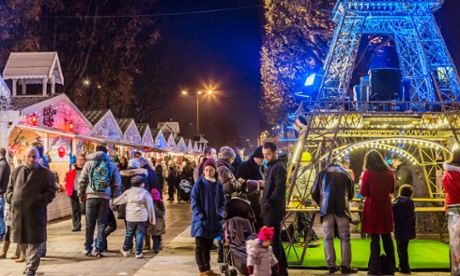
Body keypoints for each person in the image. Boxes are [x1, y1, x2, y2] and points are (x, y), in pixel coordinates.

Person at [6, 147, 56, 276]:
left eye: (34, 156)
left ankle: (31, 269)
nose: (32, 159)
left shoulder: (46, 174)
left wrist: (37, 200)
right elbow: (9, 189)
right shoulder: (16, 171)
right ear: (24, 157)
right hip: (18, 213)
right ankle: (28, 264)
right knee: (21, 241)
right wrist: (12, 199)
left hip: (35, 213)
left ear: (39, 157)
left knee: (35, 242)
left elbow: (50, 192)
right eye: (29, 156)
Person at [311, 160, 358, 274]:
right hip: (342, 208)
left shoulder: (321, 173)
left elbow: (314, 192)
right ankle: (346, 266)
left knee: (328, 238)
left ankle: (331, 265)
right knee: (345, 238)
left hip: (326, 209)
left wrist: (322, 202)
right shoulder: (346, 173)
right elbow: (351, 194)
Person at [78, 145, 122, 257]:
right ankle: (99, 249)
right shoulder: (111, 165)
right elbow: (117, 183)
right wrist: (116, 199)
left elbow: (82, 180)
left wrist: (81, 194)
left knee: (89, 224)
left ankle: (87, 248)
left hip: (91, 197)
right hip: (105, 197)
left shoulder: (89, 163)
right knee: (102, 224)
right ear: (106, 153)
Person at [360, 150, 396, 275]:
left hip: (372, 207)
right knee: (387, 237)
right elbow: (392, 189)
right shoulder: (390, 173)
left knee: (374, 238)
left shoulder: (368, 174)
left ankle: (375, 268)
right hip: (385, 207)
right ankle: (391, 267)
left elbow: (364, 192)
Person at [191, 158, 225, 276]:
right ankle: (202, 270)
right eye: (206, 170)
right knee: (200, 246)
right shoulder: (199, 185)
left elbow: (222, 201)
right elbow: (194, 202)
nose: (209, 172)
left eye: (211, 170)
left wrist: (220, 214)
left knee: (208, 246)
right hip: (201, 221)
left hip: (213, 220)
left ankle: (208, 268)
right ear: (203, 171)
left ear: (215, 171)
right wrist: (201, 216)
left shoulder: (218, 184)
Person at [259, 142, 288, 276]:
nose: (266, 157)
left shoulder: (279, 167)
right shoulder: (271, 166)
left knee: (273, 240)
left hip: (273, 210)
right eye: (264, 155)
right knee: (274, 239)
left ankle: (279, 270)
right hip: (270, 209)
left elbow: (279, 189)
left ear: (275, 152)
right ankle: (281, 267)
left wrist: (267, 203)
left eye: (268, 154)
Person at [113, 173, 155, 259]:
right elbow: (150, 206)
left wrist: (111, 202)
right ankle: (138, 252)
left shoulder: (128, 192)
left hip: (130, 216)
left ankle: (125, 249)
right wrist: (152, 219)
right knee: (140, 234)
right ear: (141, 184)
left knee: (129, 233)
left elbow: (119, 200)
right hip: (141, 217)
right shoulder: (145, 193)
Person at [292, 151, 321, 247]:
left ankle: (313, 239)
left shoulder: (308, 171)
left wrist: (308, 198)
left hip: (304, 199)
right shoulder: (303, 170)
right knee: (302, 219)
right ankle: (307, 240)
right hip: (300, 198)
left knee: (305, 219)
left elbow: (310, 186)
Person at [236, 146, 266, 231]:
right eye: (259, 159)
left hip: (260, 200)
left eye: (262, 159)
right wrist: (256, 183)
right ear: (254, 157)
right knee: (250, 224)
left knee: (259, 222)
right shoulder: (243, 166)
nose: (261, 161)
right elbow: (240, 182)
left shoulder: (263, 167)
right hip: (248, 200)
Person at [392, 185, 416, 274]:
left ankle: (404, 267)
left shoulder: (397, 202)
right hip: (408, 229)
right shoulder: (411, 202)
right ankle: (403, 266)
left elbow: (392, 208)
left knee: (401, 249)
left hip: (400, 228)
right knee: (404, 248)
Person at [65, 154, 86, 232]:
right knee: (75, 209)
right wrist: (68, 188)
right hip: (73, 192)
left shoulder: (87, 171)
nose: (79, 161)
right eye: (78, 159)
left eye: (81, 159)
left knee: (84, 209)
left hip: (83, 193)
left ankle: (90, 224)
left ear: (85, 161)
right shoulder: (71, 172)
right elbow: (68, 181)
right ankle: (77, 226)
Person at [147, 188, 166, 253]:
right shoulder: (161, 203)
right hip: (160, 223)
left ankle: (155, 248)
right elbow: (163, 213)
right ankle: (157, 246)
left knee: (155, 237)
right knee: (158, 236)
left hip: (154, 223)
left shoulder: (152, 204)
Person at [0, 147, 11, 241]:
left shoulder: (1, 164)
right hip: (3, 192)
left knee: (0, 216)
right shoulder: (6, 164)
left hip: (0, 193)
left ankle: (1, 234)